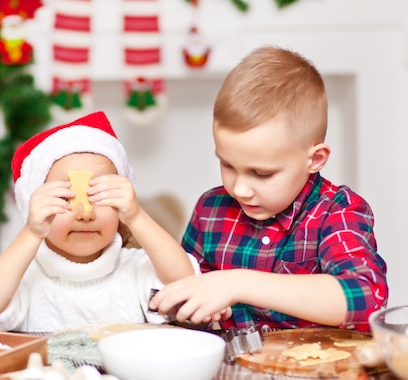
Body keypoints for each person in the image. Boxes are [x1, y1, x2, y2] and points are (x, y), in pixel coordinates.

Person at [149, 46, 389, 333]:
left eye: (261, 173)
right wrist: (191, 307)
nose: (240, 189)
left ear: (314, 159)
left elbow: (367, 300)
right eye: (227, 164)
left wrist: (238, 283)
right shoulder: (210, 209)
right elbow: (184, 291)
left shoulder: (338, 211)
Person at [0, 111, 200, 332]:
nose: (85, 214)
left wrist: (137, 216)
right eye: (65, 197)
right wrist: (31, 233)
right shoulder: (24, 278)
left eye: (100, 196)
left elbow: (187, 285)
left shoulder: (136, 269)